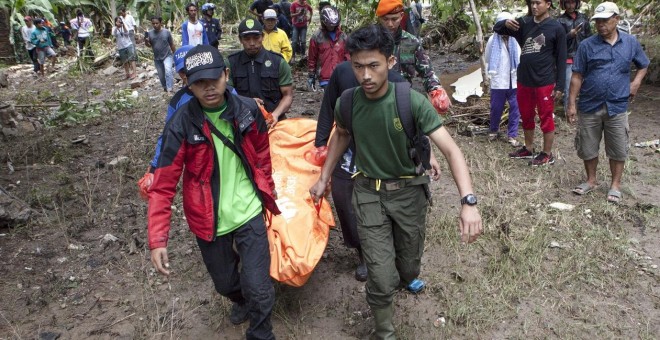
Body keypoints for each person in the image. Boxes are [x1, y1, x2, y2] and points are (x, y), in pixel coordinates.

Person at [309, 25, 482, 338]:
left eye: (373, 65)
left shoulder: (411, 101)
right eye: (357, 66)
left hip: (408, 195)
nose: (365, 76)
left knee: (408, 268)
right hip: (368, 193)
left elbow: (452, 150)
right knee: (379, 272)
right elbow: (342, 135)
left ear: (390, 62)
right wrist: (324, 178)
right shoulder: (347, 103)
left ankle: (402, 279)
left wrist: (468, 201)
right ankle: (384, 331)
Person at [147, 44, 280, 340]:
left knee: (259, 286)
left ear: (226, 75)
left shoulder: (247, 111)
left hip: (248, 211)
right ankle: (240, 298)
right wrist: (158, 239)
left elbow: (262, 155)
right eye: (199, 82)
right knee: (225, 283)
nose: (209, 88)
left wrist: (267, 192)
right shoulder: (181, 123)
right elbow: (163, 184)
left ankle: (261, 332)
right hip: (207, 218)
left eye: (214, 79)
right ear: (188, 84)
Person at [567, 2, 649, 204]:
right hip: (589, 104)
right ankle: (591, 180)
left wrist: (636, 82)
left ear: (617, 20)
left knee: (618, 147)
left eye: (605, 20)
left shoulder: (630, 42)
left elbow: (643, 64)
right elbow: (577, 76)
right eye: (598, 22)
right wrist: (571, 103)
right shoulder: (587, 45)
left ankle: (615, 185)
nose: (601, 25)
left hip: (617, 105)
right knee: (587, 145)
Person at [494, 0, 567, 166]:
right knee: (526, 115)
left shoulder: (556, 28)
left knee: (546, 117)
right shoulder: (524, 23)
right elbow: (497, 29)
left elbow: (562, 59)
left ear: (548, 4)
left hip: (545, 81)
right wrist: (505, 22)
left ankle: (547, 154)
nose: (534, 6)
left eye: (538, 3)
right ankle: (528, 148)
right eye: (532, 3)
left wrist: (560, 85)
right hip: (524, 79)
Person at [376, 0, 450, 115]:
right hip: (376, 101)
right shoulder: (370, 41)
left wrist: (436, 90)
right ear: (379, 18)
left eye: (394, 19)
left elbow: (426, 71)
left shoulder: (411, 42)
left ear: (401, 16)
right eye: (386, 19)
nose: (390, 24)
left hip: (403, 99)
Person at [227, 19, 293, 126]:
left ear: (262, 37)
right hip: (242, 121)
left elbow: (288, 95)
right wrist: (247, 102)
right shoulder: (231, 63)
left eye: (256, 38)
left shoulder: (278, 62)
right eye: (247, 39)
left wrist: (275, 115)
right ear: (240, 39)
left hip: (274, 122)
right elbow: (225, 94)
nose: (252, 43)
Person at [485, 12, 522, 147]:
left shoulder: (515, 40)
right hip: (499, 80)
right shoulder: (492, 41)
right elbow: (488, 59)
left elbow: (519, 58)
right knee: (496, 107)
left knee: (515, 107)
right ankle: (494, 130)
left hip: (513, 79)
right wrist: (489, 77)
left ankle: (512, 134)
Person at [557, 0, 591, 112]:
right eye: (568, 3)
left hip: (583, 57)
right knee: (568, 88)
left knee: (586, 86)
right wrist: (569, 35)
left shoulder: (584, 18)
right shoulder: (560, 20)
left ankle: (584, 112)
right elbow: (557, 42)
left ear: (576, 4)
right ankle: (569, 113)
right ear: (564, 4)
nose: (570, 5)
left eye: (573, 3)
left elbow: (589, 37)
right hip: (568, 58)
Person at [307, 6, 348, 90]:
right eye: (329, 25)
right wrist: (311, 75)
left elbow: (348, 55)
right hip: (325, 76)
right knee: (330, 100)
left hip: (341, 74)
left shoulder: (343, 36)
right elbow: (312, 57)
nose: (331, 27)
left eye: (333, 25)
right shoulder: (317, 37)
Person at [145, 16, 176, 92]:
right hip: (157, 58)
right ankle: (165, 87)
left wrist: (175, 54)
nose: (155, 25)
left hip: (167, 55)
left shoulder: (166, 32)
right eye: (153, 23)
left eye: (157, 23)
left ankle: (170, 88)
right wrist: (146, 41)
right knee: (161, 75)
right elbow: (149, 45)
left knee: (168, 70)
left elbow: (171, 44)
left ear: (160, 23)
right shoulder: (150, 33)